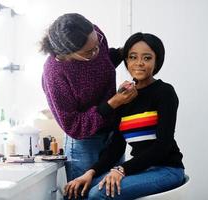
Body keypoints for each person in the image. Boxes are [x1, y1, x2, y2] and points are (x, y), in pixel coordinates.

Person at [64, 32, 185, 200]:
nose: (139, 63)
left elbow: (162, 146)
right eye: (132, 57)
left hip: (166, 169)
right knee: (79, 191)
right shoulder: (124, 96)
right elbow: (116, 146)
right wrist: (90, 173)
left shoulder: (164, 92)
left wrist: (121, 169)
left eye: (147, 58)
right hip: (141, 170)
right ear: (126, 60)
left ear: (157, 61)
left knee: (98, 195)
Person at [40, 13, 138, 182]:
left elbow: (103, 63)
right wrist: (114, 103)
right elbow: (74, 126)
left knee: (114, 191)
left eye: (97, 43)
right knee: (86, 194)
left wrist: (126, 52)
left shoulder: (94, 36)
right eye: (90, 52)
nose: (97, 51)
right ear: (68, 54)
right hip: (84, 143)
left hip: (113, 133)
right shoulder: (55, 74)